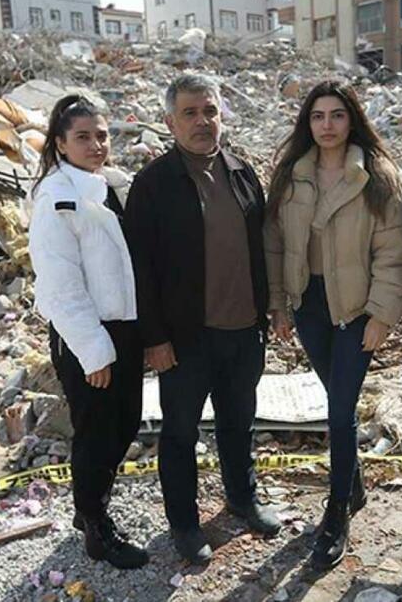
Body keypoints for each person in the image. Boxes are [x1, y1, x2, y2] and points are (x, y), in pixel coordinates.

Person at [123, 74, 279, 565]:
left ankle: (242, 496)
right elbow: (140, 270)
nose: (202, 122)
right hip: (185, 339)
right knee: (180, 433)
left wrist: (271, 309)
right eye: (190, 113)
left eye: (209, 111)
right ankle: (185, 525)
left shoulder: (241, 173)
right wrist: (154, 338)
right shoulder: (153, 184)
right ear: (170, 122)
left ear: (221, 116)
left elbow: (264, 247)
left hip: (243, 330)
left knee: (239, 422)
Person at [264, 81, 402, 570]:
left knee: (340, 408)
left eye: (337, 116)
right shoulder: (291, 175)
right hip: (309, 306)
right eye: (318, 117)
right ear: (308, 124)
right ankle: (356, 486)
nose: (327, 126)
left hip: (355, 309)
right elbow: (275, 245)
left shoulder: (377, 177)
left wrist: (381, 316)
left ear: (353, 120)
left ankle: (335, 514)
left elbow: (393, 254)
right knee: (336, 399)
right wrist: (279, 305)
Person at [28, 95, 148, 569]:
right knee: (97, 433)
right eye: (83, 137)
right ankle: (95, 526)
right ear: (60, 143)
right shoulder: (57, 196)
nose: (96, 144)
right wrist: (93, 351)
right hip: (88, 335)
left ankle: (91, 506)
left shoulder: (102, 187)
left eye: (101, 135)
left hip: (123, 329)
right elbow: (59, 283)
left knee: (124, 424)